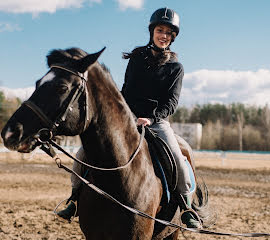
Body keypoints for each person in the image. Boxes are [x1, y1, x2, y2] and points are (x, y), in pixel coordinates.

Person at [57, 7, 201, 228]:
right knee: (83, 152)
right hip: (129, 118)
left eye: (168, 33)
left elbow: (171, 103)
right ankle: (74, 198)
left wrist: (150, 119)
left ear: (173, 37)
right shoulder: (136, 58)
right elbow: (127, 91)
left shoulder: (176, 68)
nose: (163, 35)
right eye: (160, 30)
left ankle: (186, 206)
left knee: (177, 157)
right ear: (152, 31)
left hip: (157, 122)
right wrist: (124, 115)